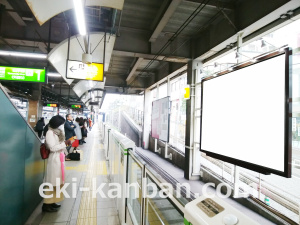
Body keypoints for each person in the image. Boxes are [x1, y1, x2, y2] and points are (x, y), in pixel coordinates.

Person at [43, 115, 73, 212]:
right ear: (57, 124)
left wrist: (66, 143)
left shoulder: (56, 133)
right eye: (61, 124)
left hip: (59, 159)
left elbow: (58, 145)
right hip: (54, 160)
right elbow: (52, 148)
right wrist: (64, 144)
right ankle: (46, 204)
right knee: (52, 182)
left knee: (57, 182)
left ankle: (53, 202)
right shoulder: (49, 133)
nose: (62, 126)